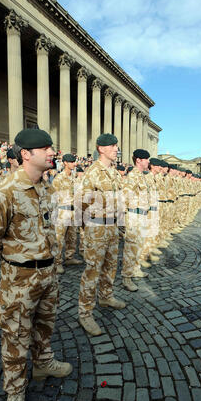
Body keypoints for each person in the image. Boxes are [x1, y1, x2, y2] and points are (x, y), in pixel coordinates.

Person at [0, 128, 73, 401]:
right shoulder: (3, 191)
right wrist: (14, 257)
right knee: (16, 336)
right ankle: (15, 393)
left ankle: (44, 362)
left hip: (48, 274)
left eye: (52, 147)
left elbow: (48, 227)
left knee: (45, 324)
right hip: (19, 277)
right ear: (26, 154)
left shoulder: (46, 188)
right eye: (46, 148)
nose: (53, 152)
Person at [78, 133, 125, 336]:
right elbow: (81, 203)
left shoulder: (114, 173)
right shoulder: (92, 173)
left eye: (116, 146)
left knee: (111, 265)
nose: (116, 149)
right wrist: (87, 229)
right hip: (96, 227)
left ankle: (106, 296)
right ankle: (85, 313)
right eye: (113, 146)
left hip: (112, 227)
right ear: (101, 148)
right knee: (92, 271)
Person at [121, 149, 151, 292]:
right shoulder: (133, 176)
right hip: (134, 215)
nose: (148, 162)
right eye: (146, 159)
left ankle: (136, 269)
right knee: (131, 247)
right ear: (138, 160)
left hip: (142, 215)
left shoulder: (141, 176)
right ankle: (126, 277)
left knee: (139, 245)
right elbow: (125, 197)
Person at [52, 153, 83, 274]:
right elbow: (53, 197)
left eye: (74, 162)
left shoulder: (74, 178)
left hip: (73, 210)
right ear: (65, 163)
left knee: (72, 236)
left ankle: (69, 257)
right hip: (62, 211)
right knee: (59, 238)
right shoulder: (59, 178)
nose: (74, 164)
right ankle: (57, 262)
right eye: (71, 162)